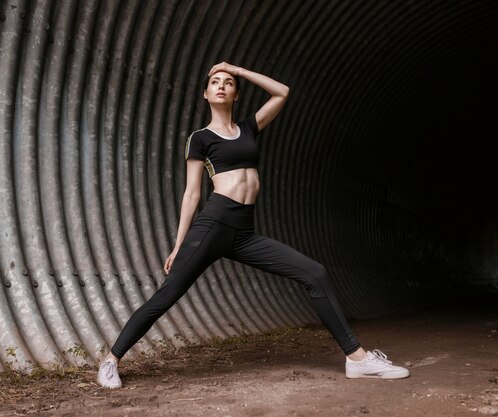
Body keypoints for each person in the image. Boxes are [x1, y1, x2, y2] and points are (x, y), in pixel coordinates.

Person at [97, 62, 409, 388]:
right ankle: (111, 360)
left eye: (228, 83)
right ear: (206, 94)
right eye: (215, 82)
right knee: (166, 296)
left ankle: (357, 359)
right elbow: (192, 194)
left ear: (236, 93)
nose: (221, 85)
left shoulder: (247, 128)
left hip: (244, 232)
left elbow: (282, 92)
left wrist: (238, 69)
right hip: (213, 224)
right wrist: (178, 245)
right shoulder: (201, 139)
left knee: (314, 273)